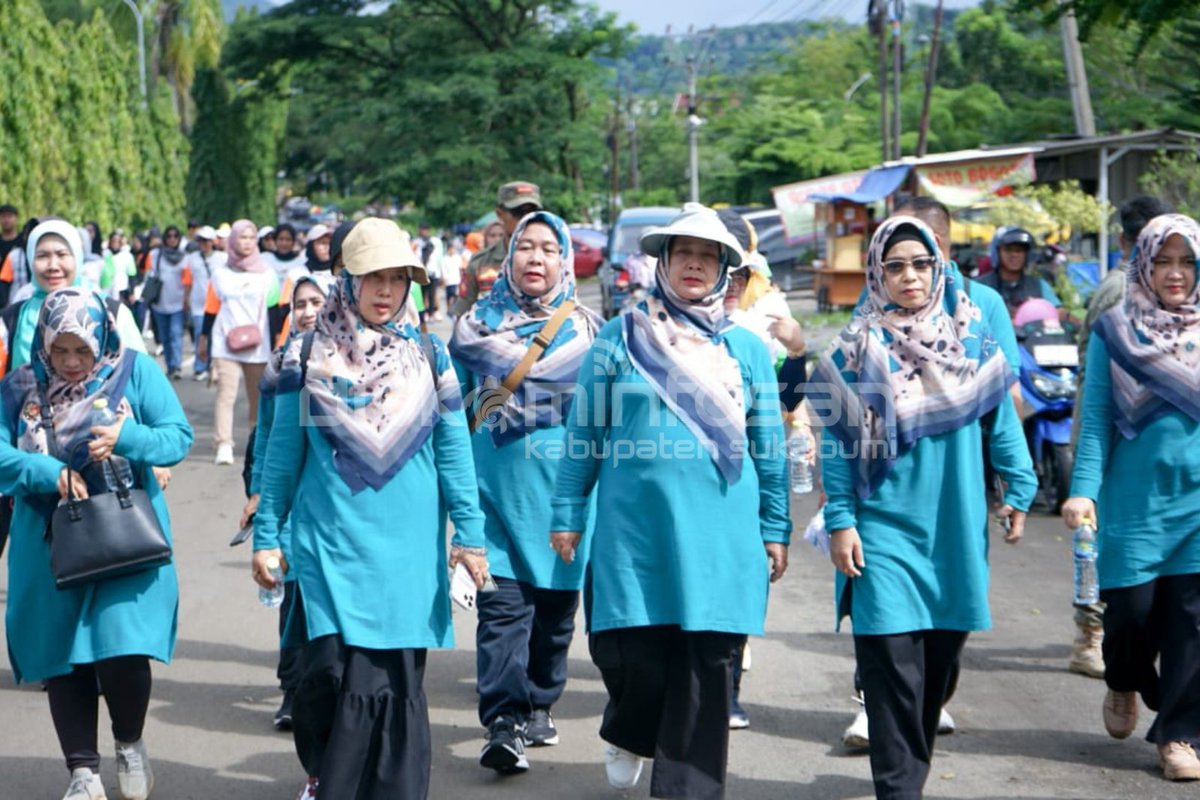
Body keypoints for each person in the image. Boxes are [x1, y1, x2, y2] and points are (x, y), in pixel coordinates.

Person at [550, 203, 791, 798]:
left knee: (706, 669)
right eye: (682, 252)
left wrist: (776, 525)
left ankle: (688, 789)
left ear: (725, 271)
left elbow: (770, 447)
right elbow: (584, 435)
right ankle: (629, 728)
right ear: (660, 261)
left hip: (722, 533)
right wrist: (567, 513)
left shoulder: (748, 350)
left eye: (707, 255)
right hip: (635, 533)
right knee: (633, 658)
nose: (693, 263)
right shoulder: (619, 339)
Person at [251, 217, 489, 800]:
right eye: (372, 277)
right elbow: (280, 460)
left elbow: (456, 454)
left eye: (398, 279)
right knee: (327, 674)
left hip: (407, 552)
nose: (386, 291)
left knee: (395, 678)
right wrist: (266, 534)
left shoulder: (430, 356)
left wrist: (471, 536)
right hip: (330, 545)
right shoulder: (304, 357)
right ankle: (325, 774)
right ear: (345, 278)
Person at [816, 215, 1037, 799]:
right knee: (890, 663)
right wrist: (840, 518)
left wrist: (1019, 484)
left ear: (938, 267)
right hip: (882, 525)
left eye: (920, 263)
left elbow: (1000, 420)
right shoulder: (854, 347)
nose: (908, 276)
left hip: (954, 525)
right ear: (877, 273)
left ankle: (909, 770)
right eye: (895, 265)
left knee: (937, 663)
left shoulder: (972, 340)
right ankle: (900, 788)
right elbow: (837, 446)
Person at [0, 287, 193, 800]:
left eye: (82, 350)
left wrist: (128, 438)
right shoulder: (19, 385)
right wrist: (45, 471)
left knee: (123, 647)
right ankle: (82, 773)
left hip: (127, 536)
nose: (69, 362)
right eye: (59, 350)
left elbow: (178, 436)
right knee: (62, 654)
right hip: (48, 539)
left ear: (102, 338)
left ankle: (129, 742)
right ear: (43, 343)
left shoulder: (133, 369)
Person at [451, 210, 603, 774]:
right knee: (502, 611)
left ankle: (541, 701)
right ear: (508, 257)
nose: (536, 258)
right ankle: (504, 720)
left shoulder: (589, 333)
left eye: (548, 249)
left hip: (566, 498)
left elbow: (605, 420)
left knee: (556, 614)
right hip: (495, 498)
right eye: (526, 248)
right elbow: (457, 415)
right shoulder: (474, 329)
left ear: (565, 260)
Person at [1063, 213, 1200, 783]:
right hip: (1133, 504)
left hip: (1196, 505)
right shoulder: (1115, 331)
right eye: (1163, 261)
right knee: (1131, 617)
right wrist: (1082, 491)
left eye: (1186, 262)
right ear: (1143, 262)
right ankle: (1123, 679)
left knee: (1192, 624)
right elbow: (1096, 420)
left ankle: (1180, 735)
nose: (1174, 274)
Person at [1064, 196, 1174, 681]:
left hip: (1149, 454)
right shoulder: (1117, 293)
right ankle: (1096, 639)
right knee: (1107, 555)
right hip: (1111, 437)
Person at [717, 208, 808, 732]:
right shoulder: (655, 321)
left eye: (738, 273)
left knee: (742, 569)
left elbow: (788, 396)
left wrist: (795, 349)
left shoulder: (766, 322)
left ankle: (728, 685)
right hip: (683, 473)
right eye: (713, 264)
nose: (729, 283)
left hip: (746, 472)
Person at [240, 274, 332, 733]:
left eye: (318, 300)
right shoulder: (280, 363)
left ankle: (328, 690)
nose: (309, 309)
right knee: (291, 593)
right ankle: (293, 691)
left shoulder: (349, 358)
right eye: (301, 303)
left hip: (332, 499)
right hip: (288, 497)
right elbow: (267, 436)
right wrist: (258, 494)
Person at [0, 220, 146, 378]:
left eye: (62, 254)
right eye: (42, 256)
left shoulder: (112, 313)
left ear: (77, 256)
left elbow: (142, 379)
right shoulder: (13, 318)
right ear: (30, 260)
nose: (53, 266)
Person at [200, 219, 284, 466]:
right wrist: (203, 340)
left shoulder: (268, 275)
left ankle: (256, 441)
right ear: (233, 240)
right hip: (225, 343)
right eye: (242, 237)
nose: (246, 242)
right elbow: (211, 309)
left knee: (258, 397)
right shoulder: (220, 274)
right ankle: (223, 443)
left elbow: (274, 311)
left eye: (250, 237)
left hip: (258, 346)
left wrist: (278, 343)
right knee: (226, 395)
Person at [453, 183, 542, 317]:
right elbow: (461, 315)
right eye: (518, 212)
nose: (526, 218)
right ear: (500, 214)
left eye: (532, 212)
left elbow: (568, 309)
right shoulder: (480, 263)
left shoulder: (553, 261)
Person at [977, 227, 1062, 316]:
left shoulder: (1038, 285)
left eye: (1019, 250)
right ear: (997, 253)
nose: (1014, 255)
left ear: (1027, 254)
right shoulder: (980, 286)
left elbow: (1058, 311)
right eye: (1008, 250)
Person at [182, 226, 225, 383]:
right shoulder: (191, 259)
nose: (204, 244)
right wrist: (185, 299)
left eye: (207, 241)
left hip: (218, 306)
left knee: (217, 338)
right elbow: (187, 281)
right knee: (201, 335)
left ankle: (214, 367)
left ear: (213, 242)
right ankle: (200, 367)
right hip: (198, 305)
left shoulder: (222, 258)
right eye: (201, 241)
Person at [146, 225, 189, 380]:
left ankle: (177, 366)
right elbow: (150, 274)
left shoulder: (185, 258)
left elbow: (187, 282)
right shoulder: (157, 255)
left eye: (175, 236)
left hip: (177, 303)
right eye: (169, 236)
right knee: (164, 337)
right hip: (160, 303)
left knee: (175, 334)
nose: (172, 239)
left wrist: (186, 299)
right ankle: (170, 366)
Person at [441, 237, 464, 316]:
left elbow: (460, 269)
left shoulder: (457, 257)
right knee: (449, 295)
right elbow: (443, 269)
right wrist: (444, 278)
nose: (452, 250)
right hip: (449, 280)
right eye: (451, 249)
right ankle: (448, 309)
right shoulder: (445, 258)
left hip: (457, 279)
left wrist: (462, 278)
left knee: (456, 295)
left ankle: (455, 308)